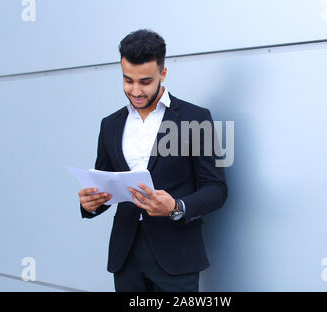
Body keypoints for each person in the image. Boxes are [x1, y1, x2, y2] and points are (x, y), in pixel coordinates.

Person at [78, 29, 227, 292]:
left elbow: (216, 189)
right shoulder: (110, 124)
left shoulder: (194, 118)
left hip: (177, 257)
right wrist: (91, 204)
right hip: (126, 256)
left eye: (145, 81)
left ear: (163, 74)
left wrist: (176, 206)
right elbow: (105, 183)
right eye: (127, 80)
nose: (135, 90)